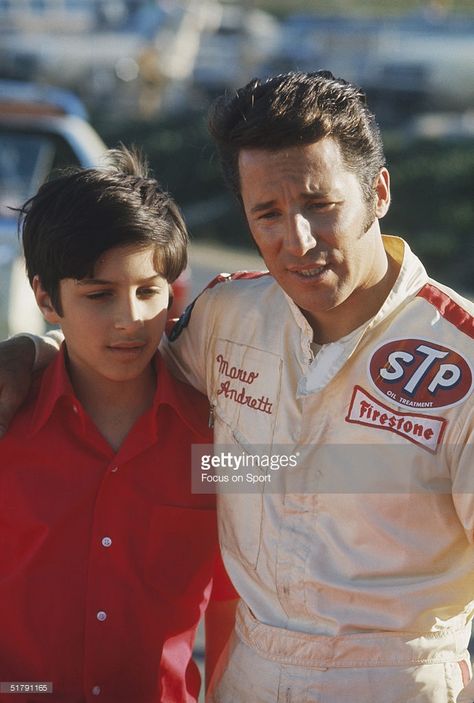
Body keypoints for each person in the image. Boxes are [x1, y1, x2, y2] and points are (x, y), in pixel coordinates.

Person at [0, 71, 473, 702]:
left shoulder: (462, 358)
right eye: (267, 213)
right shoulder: (229, 317)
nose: (297, 239)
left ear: (378, 191)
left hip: (398, 682)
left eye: (320, 204)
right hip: (246, 679)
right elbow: (120, 351)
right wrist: (30, 352)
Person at [0, 147, 237, 703]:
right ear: (45, 297)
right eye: (98, 295)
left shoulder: (218, 437)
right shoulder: (9, 423)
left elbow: (234, 599)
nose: (129, 319)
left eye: (148, 291)